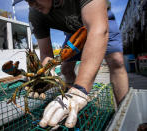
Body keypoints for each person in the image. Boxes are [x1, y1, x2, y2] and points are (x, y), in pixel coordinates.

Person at [24, 0, 128, 128]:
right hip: (73, 33)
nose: (31, 4)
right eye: (26, 0)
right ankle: (70, 108)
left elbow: (98, 30)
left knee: (116, 61)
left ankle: (125, 112)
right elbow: (46, 54)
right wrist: (46, 74)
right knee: (66, 69)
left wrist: (80, 90)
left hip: (99, 20)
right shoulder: (35, 14)